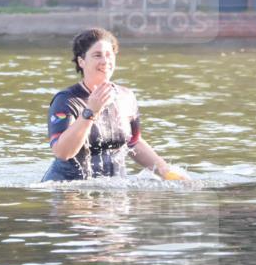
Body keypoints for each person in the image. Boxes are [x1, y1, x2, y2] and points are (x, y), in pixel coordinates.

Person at [41, 28, 188, 182]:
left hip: (114, 190)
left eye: (109, 55)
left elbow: (134, 142)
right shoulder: (66, 100)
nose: (105, 61)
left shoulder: (126, 97)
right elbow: (62, 152)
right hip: (68, 188)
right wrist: (90, 112)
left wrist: (167, 172)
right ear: (81, 61)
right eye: (97, 55)